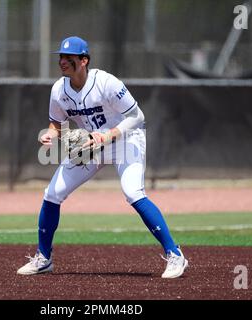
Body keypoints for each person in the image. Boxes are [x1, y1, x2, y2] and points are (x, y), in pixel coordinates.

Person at [17, 36, 188, 279]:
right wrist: (50, 134)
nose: (63, 61)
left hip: (126, 139)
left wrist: (109, 136)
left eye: (69, 57)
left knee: (133, 193)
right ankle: (43, 258)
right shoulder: (59, 90)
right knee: (52, 194)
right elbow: (56, 123)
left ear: (84, 60)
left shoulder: (106, 82)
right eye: (61, 57)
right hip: (91, 144)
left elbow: (137, 116)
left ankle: (175, 255)